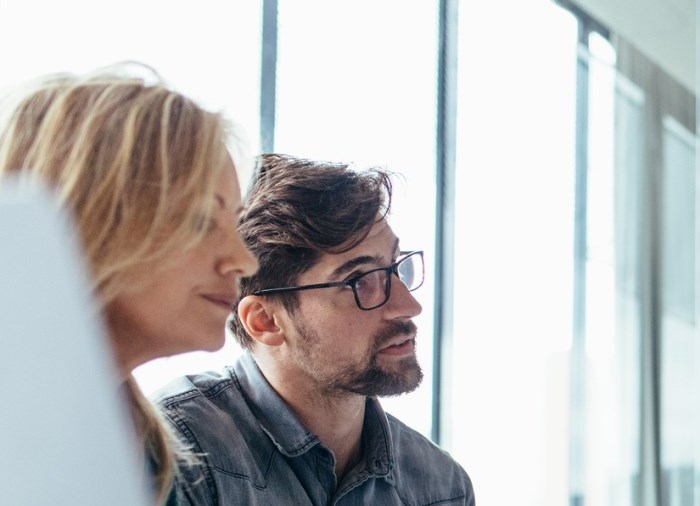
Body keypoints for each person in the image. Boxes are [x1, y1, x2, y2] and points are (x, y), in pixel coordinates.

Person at [0, 65, 258, 505]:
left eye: (234, 224)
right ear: (86, 217)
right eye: (199, 220)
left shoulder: (152, 457)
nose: (243, 260)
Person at [154, 153, 475, 505]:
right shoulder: (178, 458)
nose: (408, 306)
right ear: (265, 321)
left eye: (397, 269)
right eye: (359, 280)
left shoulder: (440, 487)